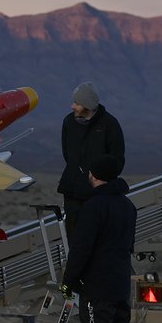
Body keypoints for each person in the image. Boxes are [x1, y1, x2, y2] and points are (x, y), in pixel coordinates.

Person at [60, 155, 137, 323]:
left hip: (97, 291)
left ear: (93, 175)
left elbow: (81, 250)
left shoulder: (93, 207)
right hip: (120, 287)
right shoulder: (128, 206)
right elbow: (129, 245)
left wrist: (67, 283)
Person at [57, 81, 125, 242]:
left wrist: (100, 179)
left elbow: (117, 159)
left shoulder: (110, 125)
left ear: (87, 105)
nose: (72, 106)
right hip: (73, 192)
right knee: (75, 240)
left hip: (98, 194)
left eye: (77, 103)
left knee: (98, 239)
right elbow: (67, 154)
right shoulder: (68, 122)